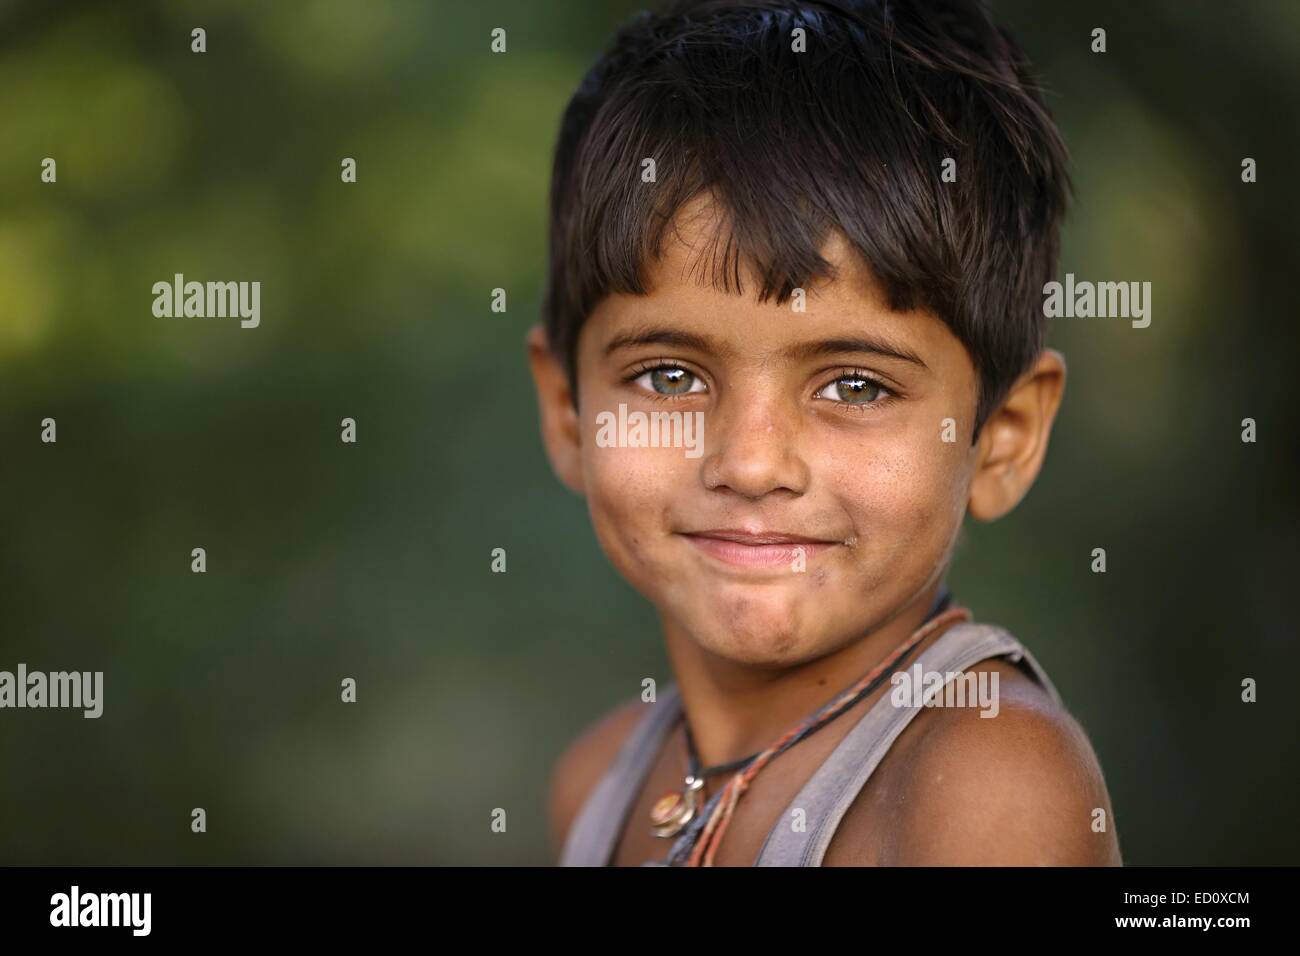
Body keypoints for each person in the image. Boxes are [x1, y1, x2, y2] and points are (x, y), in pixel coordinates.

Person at [529, 0, 1121, 866]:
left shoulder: (985, 784)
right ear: (567, 413)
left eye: (855, 385)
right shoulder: (596, 785)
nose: (751, 461)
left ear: (1003, 438)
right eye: (669, 376)